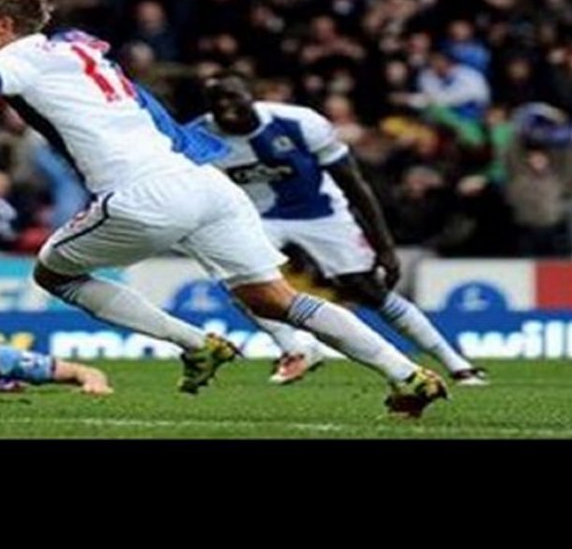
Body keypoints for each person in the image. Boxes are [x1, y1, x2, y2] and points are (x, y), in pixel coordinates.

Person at [0, 0, 448, 417]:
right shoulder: (72, 46)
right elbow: (2, 54)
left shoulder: (23, 61)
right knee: (275, 299)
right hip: (205, 187)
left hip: (141, 193)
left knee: (54, 271)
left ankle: (195, 343)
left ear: (1, 23)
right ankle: (407, 375)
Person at [190, 72, 488, 386]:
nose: (225, 107)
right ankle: (295, 348)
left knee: (368, 290)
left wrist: (384, 247)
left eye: (232, 96)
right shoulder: (198, 137)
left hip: (320, 211)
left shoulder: (299, 122)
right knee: (244, 283)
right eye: (216, 101)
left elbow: (354, 183)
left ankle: (456, 364)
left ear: (250, 95)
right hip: (256, 217)